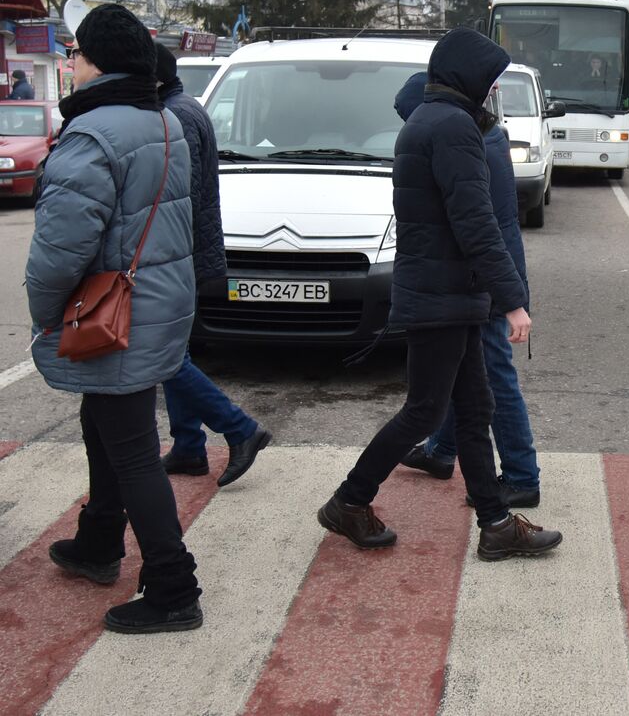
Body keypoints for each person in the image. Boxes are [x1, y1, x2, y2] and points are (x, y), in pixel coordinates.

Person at [317, 29, 562, 561]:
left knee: (474, 409)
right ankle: (349, 501)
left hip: (449, 293)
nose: (494, 88)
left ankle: (495, 524)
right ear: (468, 75)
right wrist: (514, 300)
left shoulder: (433, 120)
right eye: (491, 78)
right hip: (443, 295)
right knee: (425, 412)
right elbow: (475, 224)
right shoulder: (452, 127)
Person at [28, 4, 203, 633]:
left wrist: (46, 313)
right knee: (103, 423)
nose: (69, 64)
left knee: (130, 449)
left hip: (112, 315)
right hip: (156, 308)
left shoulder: (92, 133)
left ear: (93, 61)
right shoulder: (162, 122)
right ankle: (99, 541)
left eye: (73, 54)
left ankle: (173, 587)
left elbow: (60, 249)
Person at [396, 73, 542, 508]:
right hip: (493, 271)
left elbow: (476, 227)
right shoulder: (485, 134)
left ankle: (521, 476)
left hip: (490, 276)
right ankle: (442, 451)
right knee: (468, 372)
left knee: (493, 377)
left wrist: (508, 298)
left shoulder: (470, 144)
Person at [153, 44, 271, 487]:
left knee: (166, 357)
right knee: (175, 352)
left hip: (178, 254)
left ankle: (240, 429)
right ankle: (188, 447)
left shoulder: (176, 117)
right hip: (189, 252)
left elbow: (176, 197)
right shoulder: (186, 107)